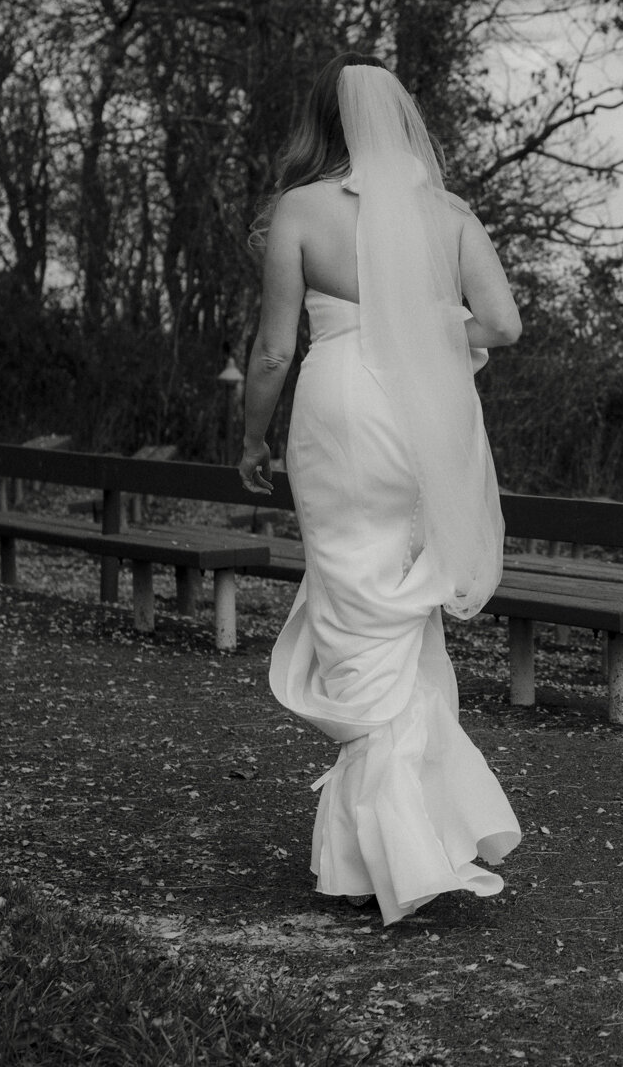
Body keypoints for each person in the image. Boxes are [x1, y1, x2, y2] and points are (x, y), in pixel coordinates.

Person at [236, 53, 523, 924]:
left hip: (339, 415)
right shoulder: (449, 216)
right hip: (422, 413)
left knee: (352, 592)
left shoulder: (298, 210)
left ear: (321, 124)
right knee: (405, 596)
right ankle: (415, 832)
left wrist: (250, 437)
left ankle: (385, 849)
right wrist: (425, 325)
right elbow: (504, 324)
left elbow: (277, 350)